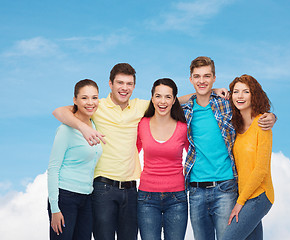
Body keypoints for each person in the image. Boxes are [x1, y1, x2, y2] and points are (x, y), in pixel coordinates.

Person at [52, 63, 228, 240]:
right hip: (103, 187)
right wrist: (83, 128)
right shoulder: (97, 106)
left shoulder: (141, 108)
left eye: (129, 84)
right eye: (120, 83)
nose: (124, 88)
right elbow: (59, 111)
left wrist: (211, 91)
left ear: (134, 86)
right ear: (110, 84)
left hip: (131, 189)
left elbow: (170, 100)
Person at [182, 56, 276, 240]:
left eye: (207, 76)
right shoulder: (187, 110)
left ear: (214, 77)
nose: (202, 81)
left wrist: (272, 116)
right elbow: (166, 100)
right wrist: (210, 90)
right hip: (196, 189)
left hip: (227, 188)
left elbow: (252, 111)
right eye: (197, 76)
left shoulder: (226, 105)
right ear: (191, 79)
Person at [47, 79, 102, 240]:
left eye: (94, 97)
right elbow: (53, 168)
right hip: (65, 198)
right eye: (84, 98)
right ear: (75, 100)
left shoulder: (95, 124)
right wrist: (55, 208)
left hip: (87, 198)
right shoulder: (65, 130)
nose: (90, 102)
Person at [222, 74, 274, 240]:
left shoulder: (262, 124)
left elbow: (260, 170)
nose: (240, 96)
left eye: (246, 92)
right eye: (236, 92)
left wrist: (240, 203)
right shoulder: (235, 128)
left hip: (259, 196)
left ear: (254, 95)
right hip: (244, 195)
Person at [136, 78, 189, 240]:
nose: (162, 101)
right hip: (146, 198)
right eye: (158, 96)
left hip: (177, 198)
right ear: (152, 99)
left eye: (168, 97)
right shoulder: (142, 124)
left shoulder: (183, 127)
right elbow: (130, 152)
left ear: (174, 100)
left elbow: (196, 157)